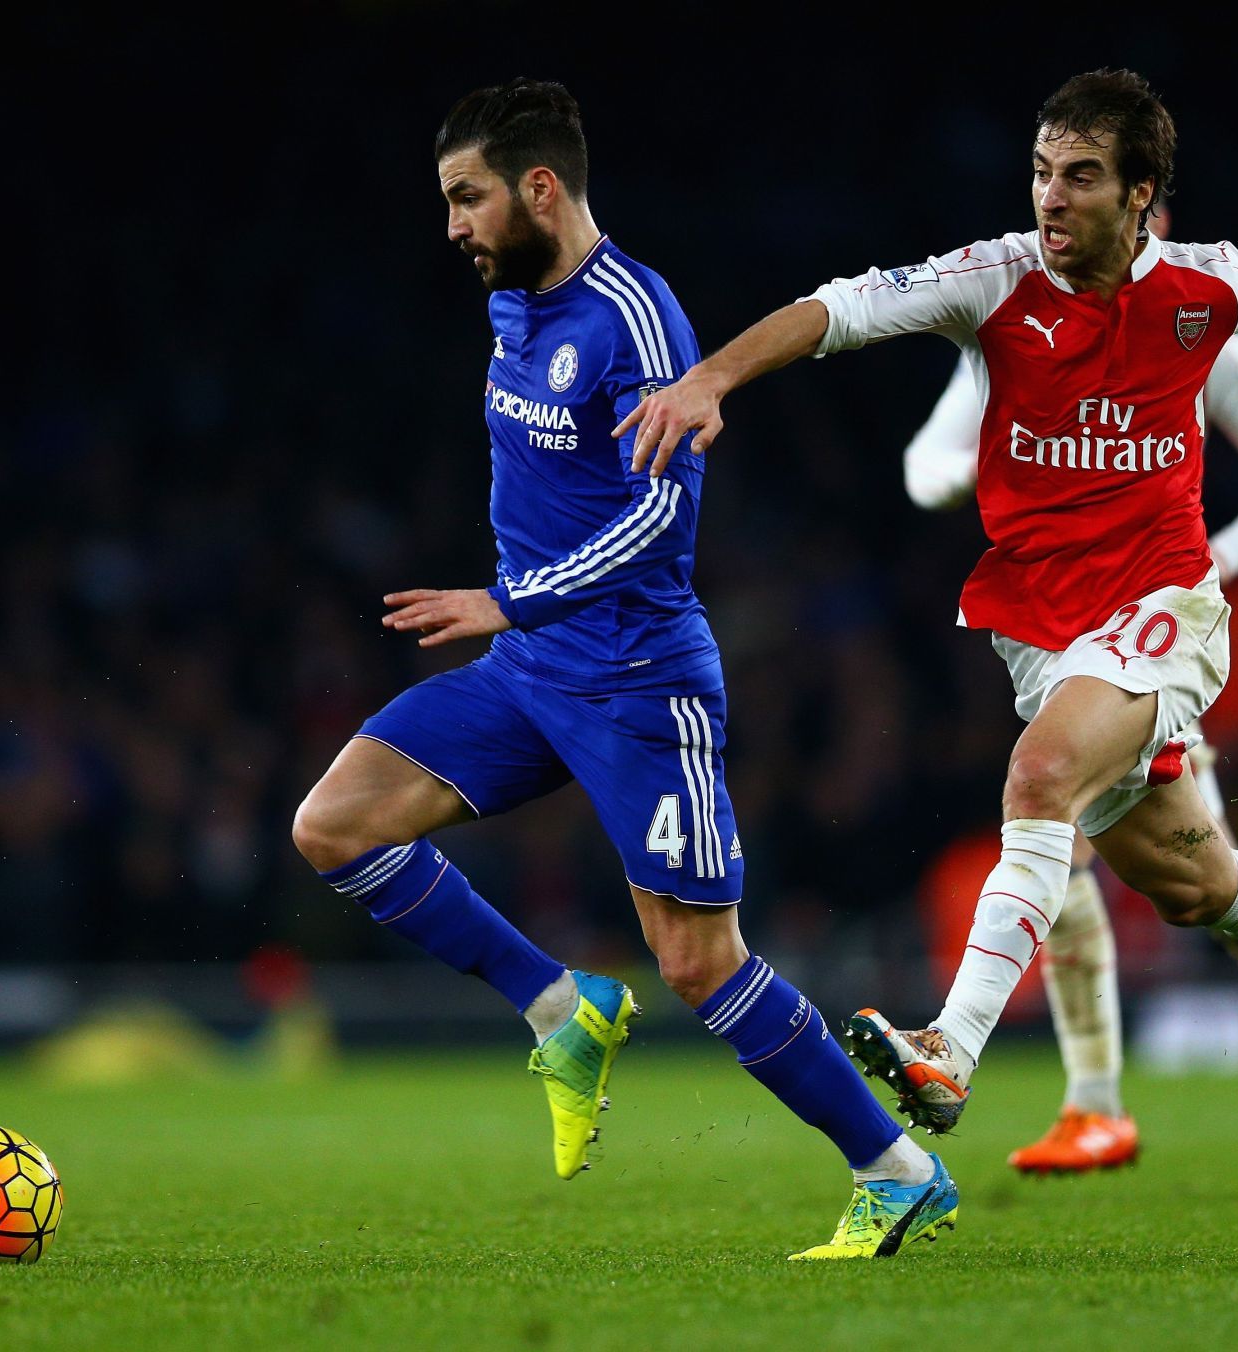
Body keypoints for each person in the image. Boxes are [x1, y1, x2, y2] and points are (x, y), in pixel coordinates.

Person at [619, 68, 1238, 1137]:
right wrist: (714, 376)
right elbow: (837, 308)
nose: (1052, 197)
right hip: (1042, 631)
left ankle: (950, 1049)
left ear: (1142, 193)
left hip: (1166, 605)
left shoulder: (1207, 288)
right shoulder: (992, 281)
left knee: (1039, 776)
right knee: (1201, 886)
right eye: (1044, 172)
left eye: (1083, 177)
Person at [289, 79, 955, 1261]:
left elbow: (660, 521)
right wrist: (518, 616)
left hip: (639, 678)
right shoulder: (513, 309)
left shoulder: (637, 319)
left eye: (468, 197)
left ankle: (895, 1168)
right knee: (334, 824)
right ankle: (560, 1007)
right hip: (530, 668)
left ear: (540, 188)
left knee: (699, 957)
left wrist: (507, 597)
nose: (453, 226)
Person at [903, 210, 1238, 1169]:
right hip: (1055, 630)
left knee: (1200, 894)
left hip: (1153, 632)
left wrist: (1216, 558)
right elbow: (925, 465)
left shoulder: (1193, 330)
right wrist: (1019, 461)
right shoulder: (1020, 334)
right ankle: (1097, 1102)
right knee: (1093, 851)